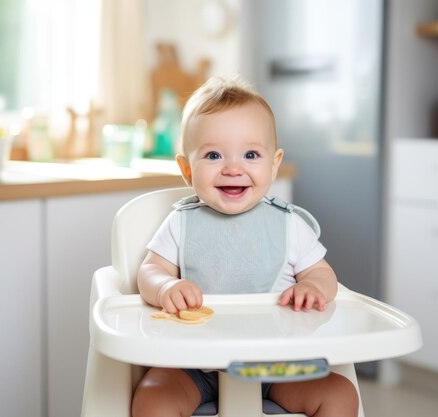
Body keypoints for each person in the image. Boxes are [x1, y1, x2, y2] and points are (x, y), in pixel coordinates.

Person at [132, 77, 359, 417]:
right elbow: (150, 270)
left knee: (341, 395)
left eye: (251, 154)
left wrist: (313, 287)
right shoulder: (181, 222)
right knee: (151, 399)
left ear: (274, 163)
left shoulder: (289, 225)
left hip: (277, 362)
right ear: (186, 169)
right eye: (213, 155)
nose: (233, 168)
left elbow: (325, 275)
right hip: (193, 364)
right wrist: (166, 286)